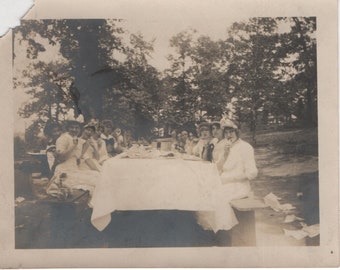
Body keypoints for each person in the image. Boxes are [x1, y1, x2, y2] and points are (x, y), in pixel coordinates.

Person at [46, 120, 99, 198]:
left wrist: (84, 147)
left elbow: (78, 156)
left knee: (97, 175)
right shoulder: (63, 138)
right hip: (64, 170)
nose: (74, 130)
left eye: (77, 128)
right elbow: (61, 158)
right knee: (93, 181)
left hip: (74, 169)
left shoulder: (75, 139)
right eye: (72, 127)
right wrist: (73, 146)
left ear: (80, 129)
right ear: (68, 128)